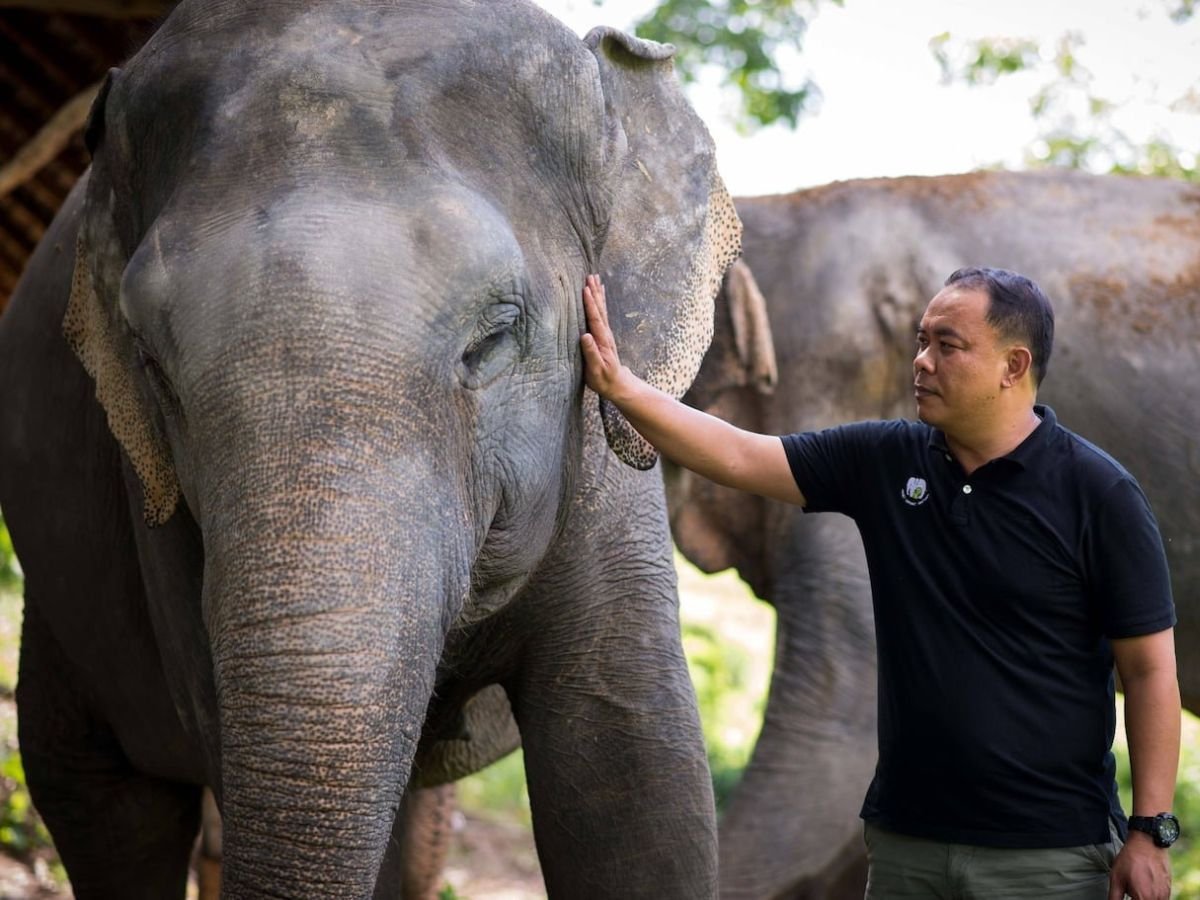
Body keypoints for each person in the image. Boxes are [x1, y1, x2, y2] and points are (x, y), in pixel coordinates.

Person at [580, 267, 1181, 900]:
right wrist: (621, 388)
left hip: (1049, 856)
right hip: (906, 849)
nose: (921, 362)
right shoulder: (888, 460)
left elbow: (1148, 671)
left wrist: (1148, 832)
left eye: (947, 346)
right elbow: (738, 455)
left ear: (1013, 365)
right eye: (921, 341)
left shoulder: (1099, 493)